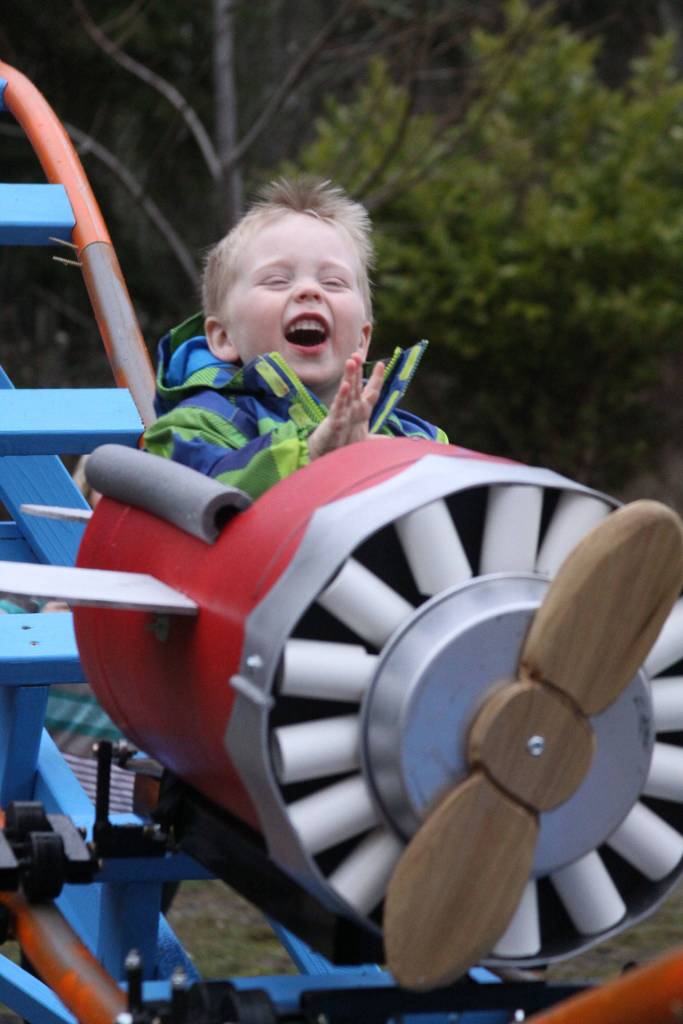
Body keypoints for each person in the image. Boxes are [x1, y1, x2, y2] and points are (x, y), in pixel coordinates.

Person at [143, 177, 447, 498]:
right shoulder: (194, 428)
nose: (309, 290)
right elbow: (186, 492)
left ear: (361, 338)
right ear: (223, 337)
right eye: (276, 280)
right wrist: (311, 455)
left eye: (333, 282)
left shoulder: (414, 440)